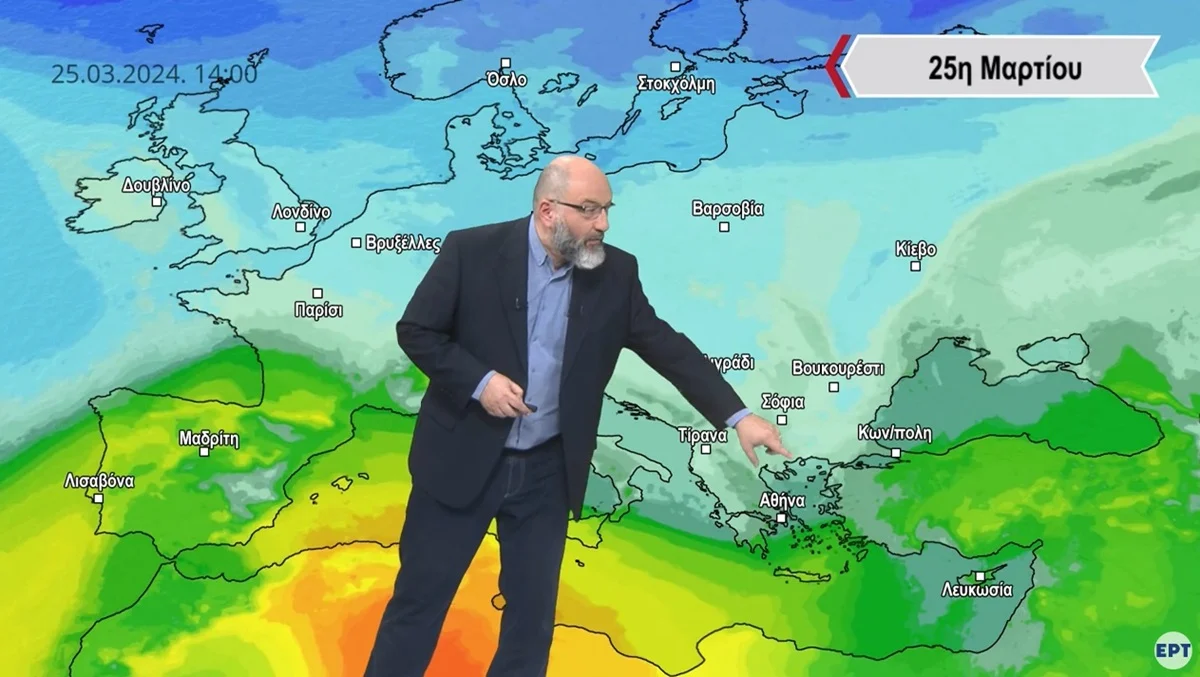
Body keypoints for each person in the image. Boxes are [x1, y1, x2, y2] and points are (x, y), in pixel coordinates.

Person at [363, 155, 791, 677]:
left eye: (607, 210)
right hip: (462, 458)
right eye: (589, 210)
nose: (602, 224)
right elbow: (417, 331)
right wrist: (480, 383)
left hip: (546, 472)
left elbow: (668, 348)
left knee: (531, 623)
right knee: (419, 604)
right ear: (548, 211)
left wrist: (738, 416)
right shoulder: (471, 251)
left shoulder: (616, 274)